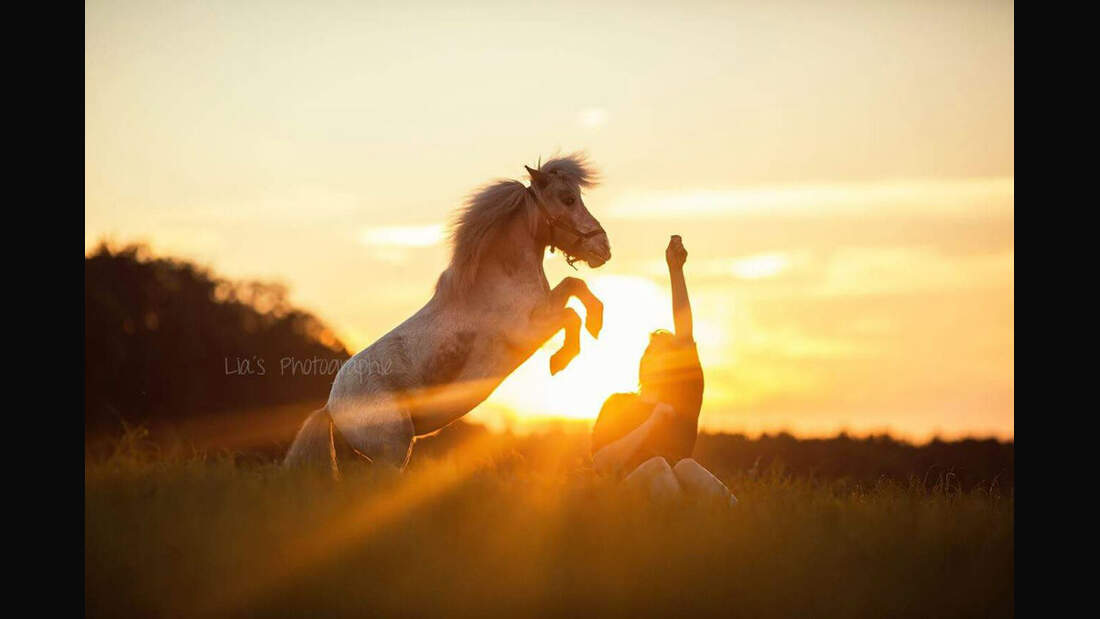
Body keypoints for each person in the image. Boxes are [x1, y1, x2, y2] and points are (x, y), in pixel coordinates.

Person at [591, 235, 736, 507]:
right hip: (624, 500)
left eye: (663, 356)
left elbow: (684, 334)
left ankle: (744, 522)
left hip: (676, 489)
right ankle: (676, 528)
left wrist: (676, 270)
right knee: (657, 465)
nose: (653, 358)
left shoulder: (683, 404)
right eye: (650, 352)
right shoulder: (617, 403)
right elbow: (602, 463)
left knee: (687, 467)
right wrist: (651, 423)